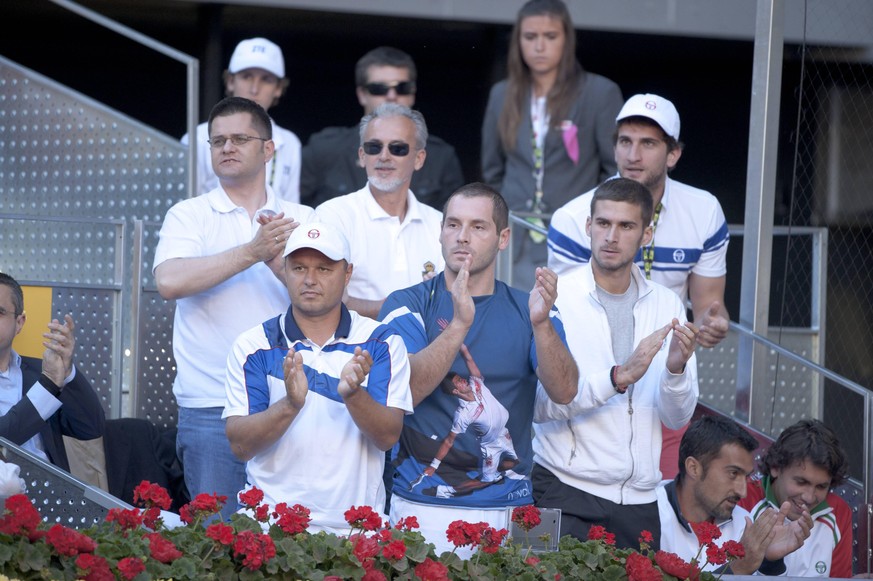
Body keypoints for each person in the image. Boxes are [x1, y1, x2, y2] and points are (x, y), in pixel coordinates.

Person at [379, 182, 578, 556]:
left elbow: (565, 391)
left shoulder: (530, 308)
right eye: (452, 225)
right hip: (422, 505)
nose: (462, 237)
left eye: (478, 227)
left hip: (515, 509)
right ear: (440, 232)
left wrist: (541, 324)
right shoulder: (405, 303)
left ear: (503, 238)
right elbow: (408, 388)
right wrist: (458, 325)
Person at [547, 92, 731, 479]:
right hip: (593, 380)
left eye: (648, 143)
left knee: (654, 496)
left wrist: (713, 322)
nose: (634, 154)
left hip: (665, 377)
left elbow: (708, 305)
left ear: (673, 154)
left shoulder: (705, 210)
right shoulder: (571, 217)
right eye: (625, 142)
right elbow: (564, 316)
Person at [154, 96, 316, 521]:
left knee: (291, 544)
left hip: (293, 401)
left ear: (268, 148)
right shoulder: (188, 214)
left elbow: (327, 303)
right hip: (211, 406)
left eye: (240, 138)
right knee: (215, 547)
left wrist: (279, 264)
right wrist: (251, 251)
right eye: (218, 141)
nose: (226, 147)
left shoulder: (302, 217)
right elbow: (169, 281)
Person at [532, 177, 699, 550]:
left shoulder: (667, 304)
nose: (611, 236)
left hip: (640, 501)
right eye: (603, 224)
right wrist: (618, 378)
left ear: (646, 234)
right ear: (588, 226)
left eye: (626, 226)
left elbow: (676, 418)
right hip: (562, 488)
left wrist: (675, 371)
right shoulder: (556, 299)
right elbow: (540, 406)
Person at [224, 222, 412, 534]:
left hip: (354, 531)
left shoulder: (382, 342)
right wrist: (290, 405)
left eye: (324, 269)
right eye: (299, 267)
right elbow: (240, 445)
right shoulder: (252, 345)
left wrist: (354, 396)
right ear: (284, 271)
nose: (310, 279)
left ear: (347, 274)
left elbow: (387, 436)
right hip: (271, 528)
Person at [481, 0, 623, 289]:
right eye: (530, 37)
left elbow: (615, 173)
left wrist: (586, 215)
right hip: (515, 238)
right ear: (518, 41)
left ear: (567, 40)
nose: (539, 46)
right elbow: (492, 170)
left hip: (575, 239)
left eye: (550, 36)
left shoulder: (599, 92)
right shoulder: (502, 94)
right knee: (514, 322)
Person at [315, 103, 444, 319]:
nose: (384, 156)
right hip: (352, 349)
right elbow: (323, 300)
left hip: (424, 350)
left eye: (398, 148)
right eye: (374, 147)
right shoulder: (333, 215)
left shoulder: (439, 224)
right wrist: (401, 307)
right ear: (362, 155)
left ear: (419, 159)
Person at [301, 46, 464, 210]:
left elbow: (454, 222)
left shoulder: (441, 157)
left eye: (402, 88)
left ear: (413, 93)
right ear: (362, 95)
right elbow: (296, 211)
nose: (391, 96)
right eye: (379, 89)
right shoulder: (324, 149)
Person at [657, 415, 811, 574]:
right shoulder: (646, 514)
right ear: (693, 468)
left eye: (746, 476)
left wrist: (769, 562)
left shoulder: (743, 523)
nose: (742, 492)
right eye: (733, 473)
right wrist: (738, 568)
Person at [0, 273, 105, 471]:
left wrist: (66, 373)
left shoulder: (41, 372)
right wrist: (48, 387)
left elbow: (90, 429)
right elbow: (3, 441)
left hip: (50, 495)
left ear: (19, 323)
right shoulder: (46, 382)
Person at [182, 37, 302, 202]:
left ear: (278, 89)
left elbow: (291, 208)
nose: (254, 89)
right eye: (246, 77)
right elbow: (185, 204)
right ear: (230, 81)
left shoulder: (290, 142)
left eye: (266, 79)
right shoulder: (198, 137)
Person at [739, 419, 852, 577]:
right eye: (801, 482)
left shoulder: (839, 512)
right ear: (775, 468)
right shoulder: (743, 498)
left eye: (821, 487)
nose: (809, 497)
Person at [408, 344, 521, 498]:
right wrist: (434, 465)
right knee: (486, 481)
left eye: (461, 378)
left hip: (504, 434)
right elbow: (449, 441)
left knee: (515, 462)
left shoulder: (476, 384)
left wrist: (460, 344)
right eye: (459, 381)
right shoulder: (463, 414)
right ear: (455, 391)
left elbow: (468, 359)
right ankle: (447, 491)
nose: (464, 381)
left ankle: (493, 471)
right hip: (491, 446)